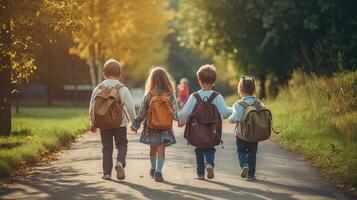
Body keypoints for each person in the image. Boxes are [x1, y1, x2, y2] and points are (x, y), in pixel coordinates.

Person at [179, 64, 232, 180]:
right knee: (210, 148)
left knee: (198, 150)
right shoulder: (217, 97)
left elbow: (184, 113)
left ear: (199, 81)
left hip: (196, 132)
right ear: (214, 82)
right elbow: (225, 113)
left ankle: (200, 174)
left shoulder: (194, 96)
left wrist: (181, 121)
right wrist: (234, 109)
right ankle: (209, 164)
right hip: (212, 131)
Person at [89, 59, 136, 180]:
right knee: (122, 144)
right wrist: (133, 122)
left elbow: (92, 107)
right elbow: (130, 107)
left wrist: (92, 123)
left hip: (103, 123)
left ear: (104, 74)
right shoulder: (122, 88)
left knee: (107, 147)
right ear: (120, 74)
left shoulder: (98, 88)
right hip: (120, 123)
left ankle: (107, 173)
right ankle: (120, 162)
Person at [131, 67, 178, 182]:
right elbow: (175, 112)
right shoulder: (170, 95)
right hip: (165, 127)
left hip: (151, 127)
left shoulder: (149, 95)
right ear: (166, 80)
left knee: (153, 148)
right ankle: (158, 172)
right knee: (161, 148)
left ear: (152, 80)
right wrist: (180, 120)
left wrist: (135, 124)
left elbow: (142, 112)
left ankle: (152, 168)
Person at [228, 75, 259, 181]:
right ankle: (251, 175)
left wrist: (229, 118)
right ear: (254, 89)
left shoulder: (238, 104)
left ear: (240, 90)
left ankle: (244, 165)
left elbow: (234, 118)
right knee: (252, 153)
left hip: (241, 134)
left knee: (241, 151)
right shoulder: (258, 103)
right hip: (254, 134)